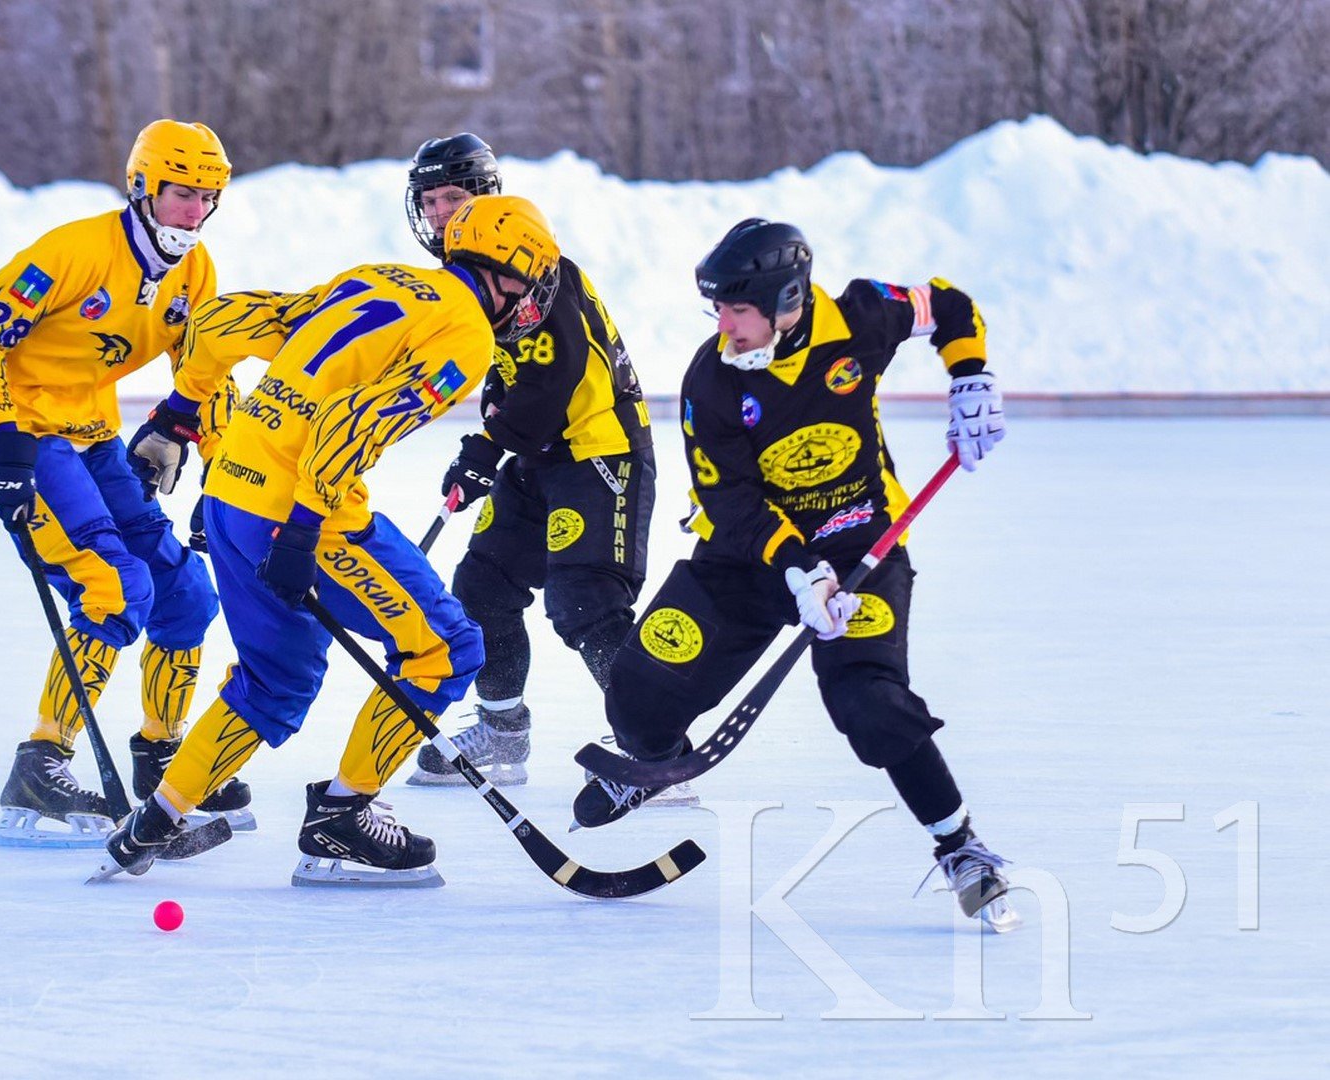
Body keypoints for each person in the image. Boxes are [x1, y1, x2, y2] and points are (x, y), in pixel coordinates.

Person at [103, 194, 564, 886]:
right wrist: (302, 528)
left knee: (272, 679)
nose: (528, 303)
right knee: (445, 650)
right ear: (507, 274)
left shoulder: (379, 276)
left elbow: (228, 319)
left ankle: (154, 821)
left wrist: (179, 415)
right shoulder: (465, 334)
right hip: (300, 514)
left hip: (231, 494)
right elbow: (351, 422)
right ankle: (343, 818)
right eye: (528, 287)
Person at [572, 218, 1015, 926]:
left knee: (868, 702)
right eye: (715, 309)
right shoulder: (710, 379)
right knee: (637, 691)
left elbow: (948, 305)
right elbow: (730, 498)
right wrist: (798, 569)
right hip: (747, 557)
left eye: (736, 309)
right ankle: (653, 765)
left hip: (860, 549)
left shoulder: (863, 316)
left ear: (786, 302)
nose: (724, 325)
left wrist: (969, 376)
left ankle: (960, 847)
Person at [0, 119, 250, 847]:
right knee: (113, 588)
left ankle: (160, 755)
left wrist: (226, 474)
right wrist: (1, 438)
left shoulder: (193, 269)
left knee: (185, 596)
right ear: (142, 186)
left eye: (209, 198)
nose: (195, 213)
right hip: (19, 442)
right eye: (182, 195)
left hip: (91, 438)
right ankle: (40, 763)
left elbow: (205, 375)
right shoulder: (74, 251)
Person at [394, 134, 683, 805]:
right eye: (430, 201)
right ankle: (501, 734)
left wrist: (485, 448)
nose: (441, 214)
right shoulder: (460, 282)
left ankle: (655, 748)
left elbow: (552, 381)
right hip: (535, 456)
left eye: (454, 198)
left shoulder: (539, 266)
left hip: (597, 451)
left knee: (585, 603)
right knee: (482, 586)